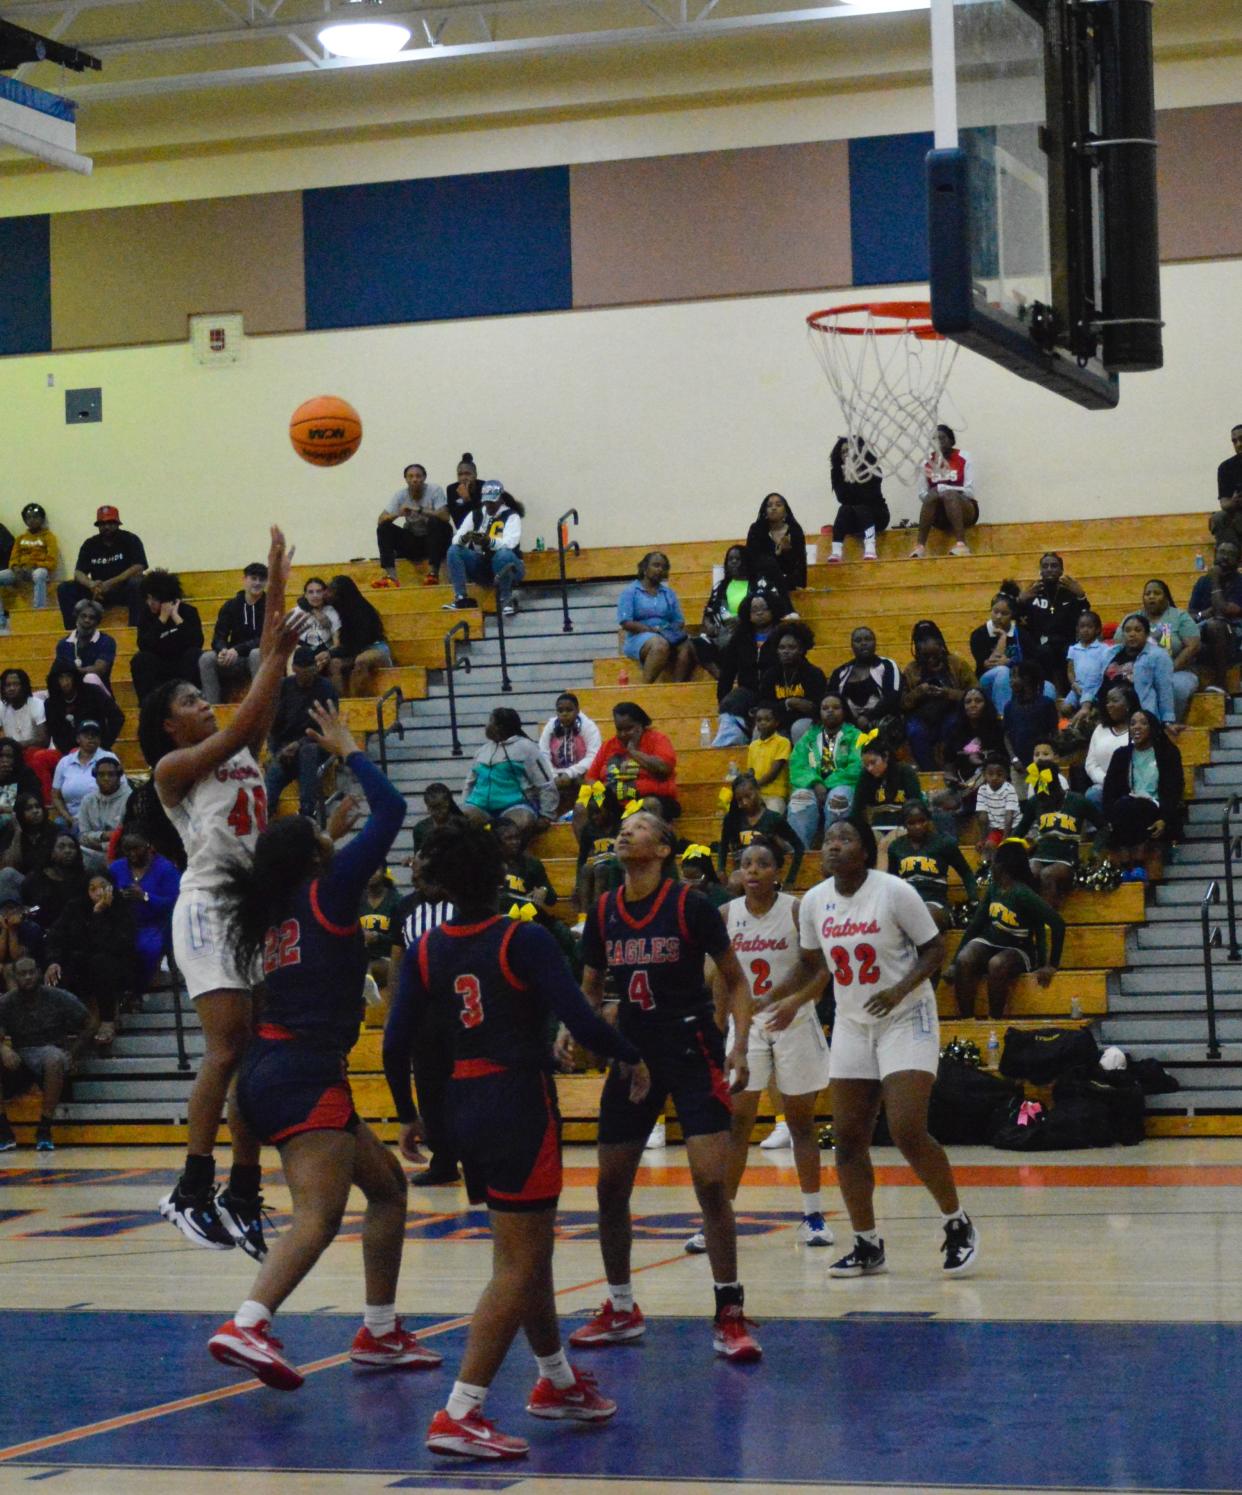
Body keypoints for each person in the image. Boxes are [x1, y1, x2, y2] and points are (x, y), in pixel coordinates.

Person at [382, 822, 647, 1459]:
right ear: (500, 874)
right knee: (519, 1265)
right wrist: (629, 1056)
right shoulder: (520, 938)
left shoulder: (425, 948)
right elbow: (580, 1018)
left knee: (528, 1256)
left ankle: (555, 1380)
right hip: (517, 1101)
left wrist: (406, 1113)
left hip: (460, 1102)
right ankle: (460, 1411)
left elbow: (395, 1043)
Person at [207, 700, 441, 1391]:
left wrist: (325, 834)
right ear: (315, 856)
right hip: (303, 1069)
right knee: (320, 1213)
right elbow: (394, 812)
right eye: (321, 836)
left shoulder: (279, 905)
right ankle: (248, 1320)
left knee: (388, 1187)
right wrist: (350, 748)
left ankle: (377, 1330)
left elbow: (315, 863)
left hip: (271, 1069)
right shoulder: (330, 892)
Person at [142, 525, 301, 1258]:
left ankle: (242, 1188)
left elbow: (256, 712)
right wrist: (281, 650)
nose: (201, 703)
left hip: (250, 909)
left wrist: (275, 600)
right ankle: (190, 1184)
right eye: (187, 700)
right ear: (167, 725)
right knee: (226, 1047)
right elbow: (242, 726)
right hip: (205, 907)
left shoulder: (234, 746)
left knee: (258, 1050)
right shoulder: (176, 768)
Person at [566, 810, 761, 1362]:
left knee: (709, 1184)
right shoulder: (604, 910)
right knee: (609, 1187)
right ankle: (621, 1306)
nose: (628, 830)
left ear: (664, 846)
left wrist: (739, 1045)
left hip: (691, 1050)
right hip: (632, 1056)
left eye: (642, 825)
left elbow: (736, 982)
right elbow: (590, 987)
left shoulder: (690, 905)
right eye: (625, 825)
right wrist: (578, 1032)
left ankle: (730, 1312)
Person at [768, 818, 978, 1276]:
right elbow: (810, 964)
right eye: (828, 840)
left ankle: (956, 1221)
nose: (833, 847)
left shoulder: (894, 891)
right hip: (852, 1022)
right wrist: (771, 998)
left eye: (844, 839)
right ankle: (867, 1244)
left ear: (864, 849)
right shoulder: (814, 904)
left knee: (905, 1129)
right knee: (847, 1138)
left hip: (906, 1015)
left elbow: (935, 949)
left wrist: (900, 990)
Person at [685, 837, 831, 1254]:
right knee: (737, 1125)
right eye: (745, 863)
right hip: (745, 1026)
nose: (752, 870)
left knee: (801, 1123)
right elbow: (719, 980)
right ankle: (718, 1219)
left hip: (794, 1021)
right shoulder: (724, 915)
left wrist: (794, 1002)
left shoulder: (798, 909)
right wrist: (718, 1032)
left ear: (778, 872)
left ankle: (813, 1215)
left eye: (762, 863)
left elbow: (821, 970)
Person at [949, 839, 1064, 1019]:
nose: (991, 865)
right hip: (991, 941)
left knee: (997, 964)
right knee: (965, 958)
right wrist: (953, 961)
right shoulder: (994, 888)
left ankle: (995, 1020)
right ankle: (967, 1020)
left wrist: (1051, 964)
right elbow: (976, 924)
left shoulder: (1023, 893)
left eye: (994, 862)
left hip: (1018, 948)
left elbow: (1057, 924)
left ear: (1002, 867)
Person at [0, 956, 96, 1152]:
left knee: (53, 1058)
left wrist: (74, 1052)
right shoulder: (6, 1002)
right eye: (22, 974)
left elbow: (91, 1023)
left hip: (51, 1054)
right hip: (21, 1056)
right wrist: (3, 1048)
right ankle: (3, 1130)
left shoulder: (58, 997)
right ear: (15, 977)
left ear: (39, 973)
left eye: (31, 972)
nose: (27, 977)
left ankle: (44, 1129)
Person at [46, 873, 137, 1048]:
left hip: (117, 963)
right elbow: (55, 936)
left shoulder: (121, 907)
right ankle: (68, 1026)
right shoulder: (75, 907)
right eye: (92, 888)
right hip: (80, 962)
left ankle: (107, 1019)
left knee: (100, 962)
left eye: (102, 886)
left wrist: (99, 914)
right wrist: (53, 961)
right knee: (60, 968)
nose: (97, 892)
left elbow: (111, 945)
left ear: (111, 887)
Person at [1101, 709, 1184, 881]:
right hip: (1127, 805)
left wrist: (1164, 819)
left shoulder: (1167, 753)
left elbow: (1174, 790)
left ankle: (1137, 864)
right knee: (1124, 806)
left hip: (1156, 806)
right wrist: (1108, 818)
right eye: (1132, 723)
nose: (1136, 727)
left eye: (1143, 723)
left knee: (1135, 807)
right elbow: (1109, 790)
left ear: (1152, 728)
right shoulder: (1121, 755)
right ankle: (1126, 867)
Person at [264, 645, 340, 818]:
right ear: (294, 669)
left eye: (311, 671)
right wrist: (275, 751)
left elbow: (329, 728)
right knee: (273, 777)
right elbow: (273, 724)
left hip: (318, 744)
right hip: (287, 749)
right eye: (303, 673)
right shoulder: (284, 686)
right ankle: (265, 813)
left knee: (308, 751)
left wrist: (298, 744)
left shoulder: (326, 688)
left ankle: (308, 809)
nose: (307, 677)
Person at [879, 800, 978, 933]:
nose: (918, 826)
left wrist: (974, 900)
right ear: (904, 825)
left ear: (929, 819)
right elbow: (892, 881)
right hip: (906, 902)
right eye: (911, 823)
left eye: (922, 821)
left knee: (925, 916)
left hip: (935, 903)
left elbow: (966, 872)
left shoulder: (944, 843)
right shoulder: (896, 847)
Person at [693, 546, 791, 677]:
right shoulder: (720, 587)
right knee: (697, 643)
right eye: (730, 559)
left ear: (746, 561)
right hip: (722, 632)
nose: (733, 562)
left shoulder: (760, 584)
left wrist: (743, 619)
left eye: (737, 559)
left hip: (750, 630)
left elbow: (777, 607)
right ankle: (721, 676)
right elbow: (708, 613)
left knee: (737, 639)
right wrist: (709, 626)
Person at [463, 708, 558, 839]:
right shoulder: (482, 751)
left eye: (490, 722)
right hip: (480, 807)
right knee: (459, 821)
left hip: (514, 807)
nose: (486, 726)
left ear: (500, 727)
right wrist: (465, 803)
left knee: (521, 822)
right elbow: (469, 784)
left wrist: (546, 815)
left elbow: (546, 784)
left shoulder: (527, 748)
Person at [577, 703, 679, 825]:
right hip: (615, 800)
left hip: (653, 799)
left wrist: (633, 752)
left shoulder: (658, 739)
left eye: (629, 729)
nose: (623, 734)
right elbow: (590, 778)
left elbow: (664, 768)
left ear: (640, 726)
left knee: (649, 804)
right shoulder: (609, 745)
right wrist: (601, 799)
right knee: (581, 808)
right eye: (619, 729)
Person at [1015, 766, 1101, 909]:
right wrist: (1009, 850)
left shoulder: (1078, 801)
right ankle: (1027, 923)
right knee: (1028, 872)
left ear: (1057, 787)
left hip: (1067, 860)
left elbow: (1104, 827)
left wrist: (1095, 850)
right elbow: (1019, 831)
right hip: (1040, 855)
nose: (1043, 800)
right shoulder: (1035, 802)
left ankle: (1049, 923)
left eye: (1046, 796)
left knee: (1047, 875)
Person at [786, 693, 863, 850]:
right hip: (812, 786)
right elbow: (797, 765)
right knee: (799, 800)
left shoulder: (856, 736)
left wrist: (826, 785)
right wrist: (815, 783)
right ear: (819, 712)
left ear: (845, 711)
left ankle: (835, 850)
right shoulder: (809, 737)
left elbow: (856, 768)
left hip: (843, 785)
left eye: (836, 707)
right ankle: (799, 854)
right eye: (825, 708)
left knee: (838, 800)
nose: (830, 711)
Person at [109, 829, 180, 989]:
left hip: (158, 923)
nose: (131, 853)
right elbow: (105, 890)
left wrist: (145, 897)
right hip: (124, 923)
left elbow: (175, 902)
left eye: (136, 848)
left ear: (148, 846)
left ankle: (146, 985)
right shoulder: (116, 868)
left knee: (147, 947)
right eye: (127, 849)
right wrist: (116, 896)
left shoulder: (165, 868)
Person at [57, 505, 148, 629]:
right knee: (65, 588)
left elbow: (139, 566)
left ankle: (135, 629)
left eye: (110, 523)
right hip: (98, 593)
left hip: (123, 590)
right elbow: (78, 573)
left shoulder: (130, 539)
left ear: (117, 523)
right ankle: (73, 633)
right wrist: (91, 584)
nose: (106, 527)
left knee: (138, 582)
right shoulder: (89, 544)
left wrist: (110, 583)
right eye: (102, 524)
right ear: (98, 526)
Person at [444, 483, 526, 619]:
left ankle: (506, 598)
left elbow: (510, 543)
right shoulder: (475, 514)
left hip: (509, 566)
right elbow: (456, 538)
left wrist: (489, 542)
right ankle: (461, 597)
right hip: (484, 565)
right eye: (486, 502)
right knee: (454, 550)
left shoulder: (511, 516)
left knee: (503, 554)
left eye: (492, 502)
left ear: (500, 499)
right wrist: (465, 539)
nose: (489, 505)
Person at [902, 622, 978, 770]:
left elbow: (976, 694)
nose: (931, 660)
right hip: (921, 717)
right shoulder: (911, 670)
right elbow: (903, 704)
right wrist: (919, 692)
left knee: (954, 723)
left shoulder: (957, 664)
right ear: (917, 650)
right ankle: (929, 772)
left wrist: (948, 693)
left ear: (941, 647)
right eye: (925, 656)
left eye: (935, 655)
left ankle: (953, 767)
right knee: (914, 731)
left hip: (951, 713)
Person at [713, 594, 785, 747]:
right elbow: (727, 672)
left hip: (777, 692)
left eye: (764, 608)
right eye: (754, 610)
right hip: (748, 690)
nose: (759, 613)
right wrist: (723, 701)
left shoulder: (784, 635)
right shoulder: (740, 637)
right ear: (747, 613)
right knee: (731, 705)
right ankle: (728, 744)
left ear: (773, 610)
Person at [616, 552, 694, 684]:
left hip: (665, 633)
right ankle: (646, 688)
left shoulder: (668, 593)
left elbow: (679, 620)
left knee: (688, 646)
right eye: (656, 565)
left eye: (663, 567)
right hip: (639, 636)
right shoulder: (630, 591)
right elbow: (625, 622)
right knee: (660, 645)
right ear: (645, 569)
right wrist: (650, 630)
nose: (660, 569)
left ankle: (677, 687)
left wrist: (668, 630)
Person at [1016, 553, 1089, 692]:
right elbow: (1019, 620)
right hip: (1040, 644)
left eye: (1054, 566)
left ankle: (1069, 695)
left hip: (1066, 642)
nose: (1049, 569)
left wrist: (1081, 596)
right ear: (1040, 571)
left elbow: (1085, 615)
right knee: (1044, 653)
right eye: (1045, 566)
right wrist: (1020, 601)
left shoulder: (1070, 593)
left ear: (1061, 570)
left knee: (1069, 652)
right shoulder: (1033, 593)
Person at [131, 570, 204, 704]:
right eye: (147, 598)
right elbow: (143, 645)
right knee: (140, 659)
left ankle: (192, 700)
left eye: (153, 599)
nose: (149, 603)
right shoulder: (146, 616)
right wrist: (162, 619)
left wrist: (176, 617)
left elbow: (197, 641)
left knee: (196, 654)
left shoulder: (188, 612)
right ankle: (148, 706)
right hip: (159, 665)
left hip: (182, 664)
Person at [717, 771, 803, 885]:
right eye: (740, 800)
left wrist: (790, 879)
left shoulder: (773, 818)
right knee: (735, 882)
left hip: (766, 871)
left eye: (748, 796)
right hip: (742, 871)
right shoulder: (732, 819)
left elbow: (799, 846)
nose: (745, 802)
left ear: (758, 790)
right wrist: (721, 869)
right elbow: (723, 845)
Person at [200, 563, 268, 704]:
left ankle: (259, 707)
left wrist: (237, 650)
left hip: (260, 658)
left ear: (266, 582)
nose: (257, 583)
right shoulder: (231, 605)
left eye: (261, 579)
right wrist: (222, 650)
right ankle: (213, 709)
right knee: (206, 658)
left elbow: (266, 638)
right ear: (244, 579)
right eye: (253, 578)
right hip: (233, 658)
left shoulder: (270, 606)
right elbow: (219, 635)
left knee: (256, 653)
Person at [1095, 613, 1176, 730]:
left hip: (1137, 718)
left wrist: (1167, 720)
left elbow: (1164, 690)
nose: (1132, 634)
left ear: (1147, 633)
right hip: (1105, 713)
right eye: (1127, 631)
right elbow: (1097, 682)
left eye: (1138, 630)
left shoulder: (1158, 655)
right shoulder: (1109, 653)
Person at [376, 462, 451, 586]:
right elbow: (381, 519)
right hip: (414, 543)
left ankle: (433, 573)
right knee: (384, 527)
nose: (414, 480)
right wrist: (398, 514)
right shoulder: (400, 495)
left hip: (434, 543)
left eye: (418, 476)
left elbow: (445, 517)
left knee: (435, 521)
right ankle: (391, 576)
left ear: (424, 478)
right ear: (406, 479)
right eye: (410, 476)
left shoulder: (434, 490)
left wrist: (420, 509)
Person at [969, 587, 1041, 715]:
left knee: (1049, 688)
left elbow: (1032, 663)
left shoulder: (1021, 634)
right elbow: (991, 664)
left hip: (1018, 678)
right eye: (995, 612)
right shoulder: (979, 634)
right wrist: (1002, 638)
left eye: (1004, 613)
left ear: (1012, 615)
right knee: (1003, 672)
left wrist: (1010, 662)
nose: (998, 617)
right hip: (987, 680)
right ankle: (1004, 718)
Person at [1138, 580, 1201, 723]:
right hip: (1141, 671)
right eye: (1147, 594)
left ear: (1166, 597)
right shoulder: (1135, 618)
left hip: (1179, 672)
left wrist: (1169, 668)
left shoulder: (1180, 616)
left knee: (1173, 688)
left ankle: (1168, 727)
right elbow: (1120, 643)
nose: (1151, 596)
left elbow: (1193, 646)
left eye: (1157, 593)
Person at [910, 425, 976, 558]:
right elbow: (922, 494)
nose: (939, 442)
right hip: (939, 514)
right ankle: (920, 546)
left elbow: (970, 492)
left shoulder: (963, 457)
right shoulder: (926, 461)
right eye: (935, 439)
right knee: (932, 493)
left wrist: (948, 489)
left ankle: (961, 545)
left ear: (951, 440)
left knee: (949, 494)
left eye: (942, 438)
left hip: (965, 509)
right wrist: (937, 493)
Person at [756, 621, 825, 744]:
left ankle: (804, 762)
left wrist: (806, 707)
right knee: (759, 730)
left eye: (791, 647)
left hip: (805, 722)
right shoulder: (771, 675)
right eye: (781, 648)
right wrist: (789, 703)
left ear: (801, 649)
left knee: (798, 728)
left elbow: (818, 707)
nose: (785, 651)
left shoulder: (814, 674)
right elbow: (763, 704)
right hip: (778, 721)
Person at [1189, 541, 1242, 695]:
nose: (1224, 557)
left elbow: (1225, 611)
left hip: (1234, 631)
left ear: (1239, 561)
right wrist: (1203, 614)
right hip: (1205, 628)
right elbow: (1192, 614)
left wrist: (1215, 581)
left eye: (1230, 554)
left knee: (1216, 626)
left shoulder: (1239, 582)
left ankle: (1221, 683)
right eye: (1221, 552)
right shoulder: (1202, 582)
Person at [325, 576, 392, 699]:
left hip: (375, 647)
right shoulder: (335, 607)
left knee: (362, 661)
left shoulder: (360, 611)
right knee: (334, 664)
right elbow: (307, 600)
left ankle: (357, 701)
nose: (327, 594)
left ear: (341, 593)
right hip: (354, 651)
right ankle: (342, 703)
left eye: (331, 590)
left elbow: (355, 645)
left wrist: (329, 653)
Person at [825, 626, 903, 730]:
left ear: (875, 643)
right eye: (858, 640)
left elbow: (893, 696)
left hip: (882, 722)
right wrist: (854, 720)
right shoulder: (840, 672)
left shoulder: (888, 665)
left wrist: (868, 718)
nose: (863, 643)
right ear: (851, 646)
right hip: (848, 724)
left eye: (868, 639)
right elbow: (831, 699)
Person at [0, 669, 60, 803]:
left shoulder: (36, 704)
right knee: (5, 761)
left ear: (24, 686)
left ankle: (45, 803)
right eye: (7, 685)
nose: (11, 688)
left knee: (30, 756)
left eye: (16, 684)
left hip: (44, 752)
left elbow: (43, 740)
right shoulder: (1, 707)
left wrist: (15, 746)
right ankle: (6, 806)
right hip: (15, 754)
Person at [827, 436, 889, 563]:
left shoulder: (872, 469)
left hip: (877, 516)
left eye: (849, 450)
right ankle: (836, 550)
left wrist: (856, 474)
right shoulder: (837, 472)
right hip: (854, 519)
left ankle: (870, 546)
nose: (846, 454)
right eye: (843, 452)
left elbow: (868, 497)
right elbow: (842, 498)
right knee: (844, 508)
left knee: (861, 506)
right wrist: (847, 476)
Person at [538, 693, 602, 815]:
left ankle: (592, 812)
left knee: (593, 786)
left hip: (584, 774)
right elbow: (543, 754)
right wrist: (554, 775)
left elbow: (593, 756)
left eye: (569, 710)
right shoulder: (550, 726)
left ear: (578, 710)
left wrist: (569, 773)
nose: (565, 714)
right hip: (556, 775)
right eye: (560, 711)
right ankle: (550, 817)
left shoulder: (589, 726)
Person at [43, 663, 123, 754]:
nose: (66, 681)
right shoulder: (51, 703)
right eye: (61, 677)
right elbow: (56, 733)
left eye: (69, 676)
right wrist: (70, 752)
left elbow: (117, 717)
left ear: (75, 677)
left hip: (98, 748)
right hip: (69, 754)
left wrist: (104, 743)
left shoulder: (93, 692)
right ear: (54, 680)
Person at [1084, 685, 1140, 811]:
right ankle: (1101, 830)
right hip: (1103, 784)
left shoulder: (1138, 729)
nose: (1109, 705)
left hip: (1134, 785)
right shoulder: (1100, 729)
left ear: (1128, 704)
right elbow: (1091, 764)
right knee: (1092, 795)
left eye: (1115, 701)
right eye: (1108, 701)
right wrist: (1107, 780)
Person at [50, 724, 117, 829]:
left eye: (94, 735)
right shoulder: (65, 762)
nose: (90, 737)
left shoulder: (109, 758)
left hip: (101, 817)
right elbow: (55, 795)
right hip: (70, 818)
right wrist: (68, 817)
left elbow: (119, 789)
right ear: (78, 739)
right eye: (86, 735)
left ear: (99, 739)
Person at [851, 739, 924, 832]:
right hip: (875, 828)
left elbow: (917, 804)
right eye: (866, 765)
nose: (869, 768)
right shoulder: (865, 776)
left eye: (873, 762)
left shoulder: (905, 772)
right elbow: (857, 809)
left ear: (885, 756)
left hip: (903, 827)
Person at [21, 832, 88, 933]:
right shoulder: (35, 879)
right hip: (42, 932)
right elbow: (28, 908)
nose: (68, 851)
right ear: (51, 852)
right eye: (61, 847)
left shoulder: (84, 878)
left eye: (72, 847)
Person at [0, 502, 59, 611]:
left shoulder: (49, 537)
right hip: (20, 570)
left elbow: (52, 562)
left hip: (38, 569)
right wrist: (16, 568)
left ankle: (38, 611)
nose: (32, 520)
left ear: (42, 519)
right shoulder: (20, 538)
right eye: (29, 517)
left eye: (35, 517)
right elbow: (13, 558)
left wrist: (34, 565)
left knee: (39, 574)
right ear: (25, 520)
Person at [1003, 660, 1059, 770]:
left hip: (1043, 766)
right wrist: (1014, 758)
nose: (1011, 681)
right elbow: (1006, 735)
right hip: (1019, 768)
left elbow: (1053, 733)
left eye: (1014, 676)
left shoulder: (1046, 704)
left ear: (1026, 678)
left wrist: (1045, 757)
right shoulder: (1009, 707)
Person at [746, 492, 807, 593]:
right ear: (765, 511)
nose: (773, 508)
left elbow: (800, 562)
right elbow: (752, 559)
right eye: (769, 505)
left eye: (778, 505)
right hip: (763, 581)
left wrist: (787, 552)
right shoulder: (756, 529)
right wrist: (776, 554)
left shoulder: (794, 530)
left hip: (789, 582)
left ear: (785, 510)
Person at [54, 599, 118, 694]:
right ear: (76, 618)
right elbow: (58, 672)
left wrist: (72, 671)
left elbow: (99, 670)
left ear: (97, 622)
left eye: (92, 618)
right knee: (39, 696)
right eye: (83, 616)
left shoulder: (106, 641)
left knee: (90, 677)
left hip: (100, 697)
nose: (87, 620)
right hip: (71, 693)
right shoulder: (63, 644)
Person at [359, 866, 402, 995]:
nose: (371, 874)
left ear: (384, 872)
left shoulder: (396, 900)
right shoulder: (357, 899)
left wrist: (378, 937)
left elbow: (399, 937)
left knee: (369, 968)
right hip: (361, 956)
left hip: (387, 957)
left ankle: (371, 996)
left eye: (375, 869)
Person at [76, 757, 131, 855]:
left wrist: (102, 845)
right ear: (95, 777)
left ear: (119, 776)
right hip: (91, 851)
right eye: (101, 775)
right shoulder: (88, 800)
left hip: (122, 853)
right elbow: (83, 836)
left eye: (111, 774)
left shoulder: (130, 798)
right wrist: (103, 835)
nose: (106, 778)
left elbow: (128, 836)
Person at [1063, 610, 1112, 715]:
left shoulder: (1103, 648)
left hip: (1095, 688)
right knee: (1065, 709)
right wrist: (1073, 684)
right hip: (1077, 687)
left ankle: (1087, 712)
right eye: (1082, 627)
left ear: (1098, 629)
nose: (1085, 630)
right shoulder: (1073, 649)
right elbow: (1070, 671)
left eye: (1089, 627)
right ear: (1077, 629)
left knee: (1090, 708)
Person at [746, 703, 792, 812]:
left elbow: (774, 772)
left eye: (767, 720)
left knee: (772, 817)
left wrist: (754, 786)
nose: (763, 723)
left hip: (775, 795)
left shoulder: (783, 742)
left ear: (776, 722)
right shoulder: (753, 745)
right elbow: (750, 771)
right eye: (759, 720)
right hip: (757, 793)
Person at [973, 751, 1021, 854]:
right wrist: (982, 839)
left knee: (1007, 851)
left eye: (999, 774)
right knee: (988, 846)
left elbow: (1009, 817)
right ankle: (992, 868)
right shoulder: (982, 790)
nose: (994, 777)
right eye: (990, 774)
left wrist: (1005, 840)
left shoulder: (1009, 789)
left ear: (1006, 775)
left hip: (1014, 828)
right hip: (997, 829)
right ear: (984, 775)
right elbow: (982, 817)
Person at [294, 577, 339, 674]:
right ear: (305, 595)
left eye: (319, 592)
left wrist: (327, 655)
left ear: (325, 593)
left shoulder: (332, 611)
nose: (315, 595)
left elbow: (337, 643)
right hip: (302, 650)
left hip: (323, 649)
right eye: (311, 592)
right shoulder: (296, 612)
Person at [1210, 424, 1242, 549]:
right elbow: (1224, 504)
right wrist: (1234, 502)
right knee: (1219, 518)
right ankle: (1229, 560)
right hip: (1238, 514)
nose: (1239, 444)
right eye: (1234, 441)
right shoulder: (1226, 467)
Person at [410, 783, 466, 855]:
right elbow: (417, 859)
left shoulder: (461, 825)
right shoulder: (420, 829)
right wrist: (410, 862)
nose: (439, 812)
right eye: (434, 808)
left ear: (449, 804)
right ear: (427, 807)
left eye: (443, 807)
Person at [0, 898, 46, 983]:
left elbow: (19, 957)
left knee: (10, 969)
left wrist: (12, 930)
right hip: (5, 963)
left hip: (30, 964)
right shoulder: (1, 925)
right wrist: (4, 929)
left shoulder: (31, 928)